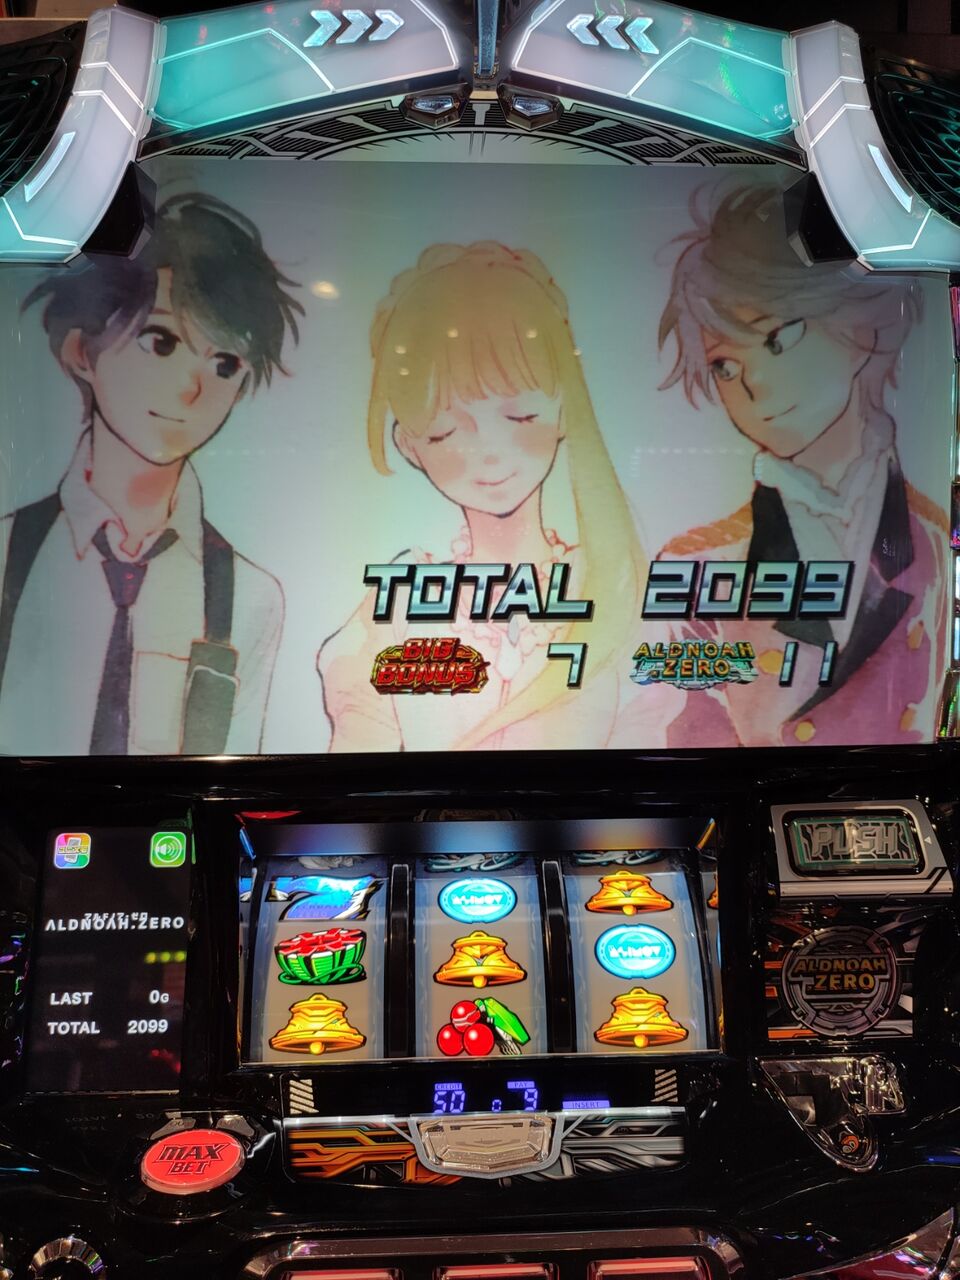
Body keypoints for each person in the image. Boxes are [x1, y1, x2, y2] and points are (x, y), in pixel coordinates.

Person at [318, 241, 652, 751]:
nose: (490, 454)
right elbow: (357, 750)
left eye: (520, 417)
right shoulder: (398, 604)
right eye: (447, 432)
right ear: (409, 445)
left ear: (565, 411)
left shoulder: (615, 584)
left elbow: (654, 729)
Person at [0, 193, 303, 754]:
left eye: (224, 364)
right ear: (81, 351)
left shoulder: (250, 597)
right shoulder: (7, 554)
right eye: (160, 342)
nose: (192, 388)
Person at [656, 183, 948, 746]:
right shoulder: (701, 561)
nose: (755, 385)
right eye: (725, 367)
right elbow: (692, 735)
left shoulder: (933, 537)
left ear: (865, 326)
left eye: (780, 339)